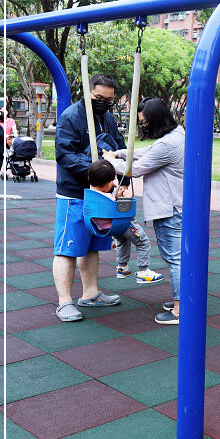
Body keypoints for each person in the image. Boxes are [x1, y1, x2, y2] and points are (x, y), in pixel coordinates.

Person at [104, 98, 184, 325]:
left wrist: (110, 162)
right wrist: (119, 153)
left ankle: (180, 310)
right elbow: (147, 151)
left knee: (175, 259)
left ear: (156, 120)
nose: (144, 126)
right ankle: (185, 301)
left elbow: (137, 169)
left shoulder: (168, 144)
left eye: (145, 122)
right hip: (174, 205)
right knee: (178, 258)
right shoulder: (176, 134)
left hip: (169, 208)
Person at [53, 74, 124, 322]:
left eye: (109, 100)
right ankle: (64, 302)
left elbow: (118, 147)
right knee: (68, 248)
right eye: (99, 98)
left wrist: (121, 176)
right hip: (74, 192)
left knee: (93, 244)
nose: (105, 103)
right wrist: (96, 171)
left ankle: (90, 293)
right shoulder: (71, 117)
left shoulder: (107, 117)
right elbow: (64, 154)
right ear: (88, 92)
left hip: (99, 192)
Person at [87, 159, 163, 284]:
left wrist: (115, 196)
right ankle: (143, 271)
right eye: (112, 181)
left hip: (107, 228)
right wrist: (127, 198)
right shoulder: (109, 199)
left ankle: (122, 267)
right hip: (122, 224)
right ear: (108, 184)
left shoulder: (89, 196)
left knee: (123, 241)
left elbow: (108, 200)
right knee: (143, 242)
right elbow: (120, 208)